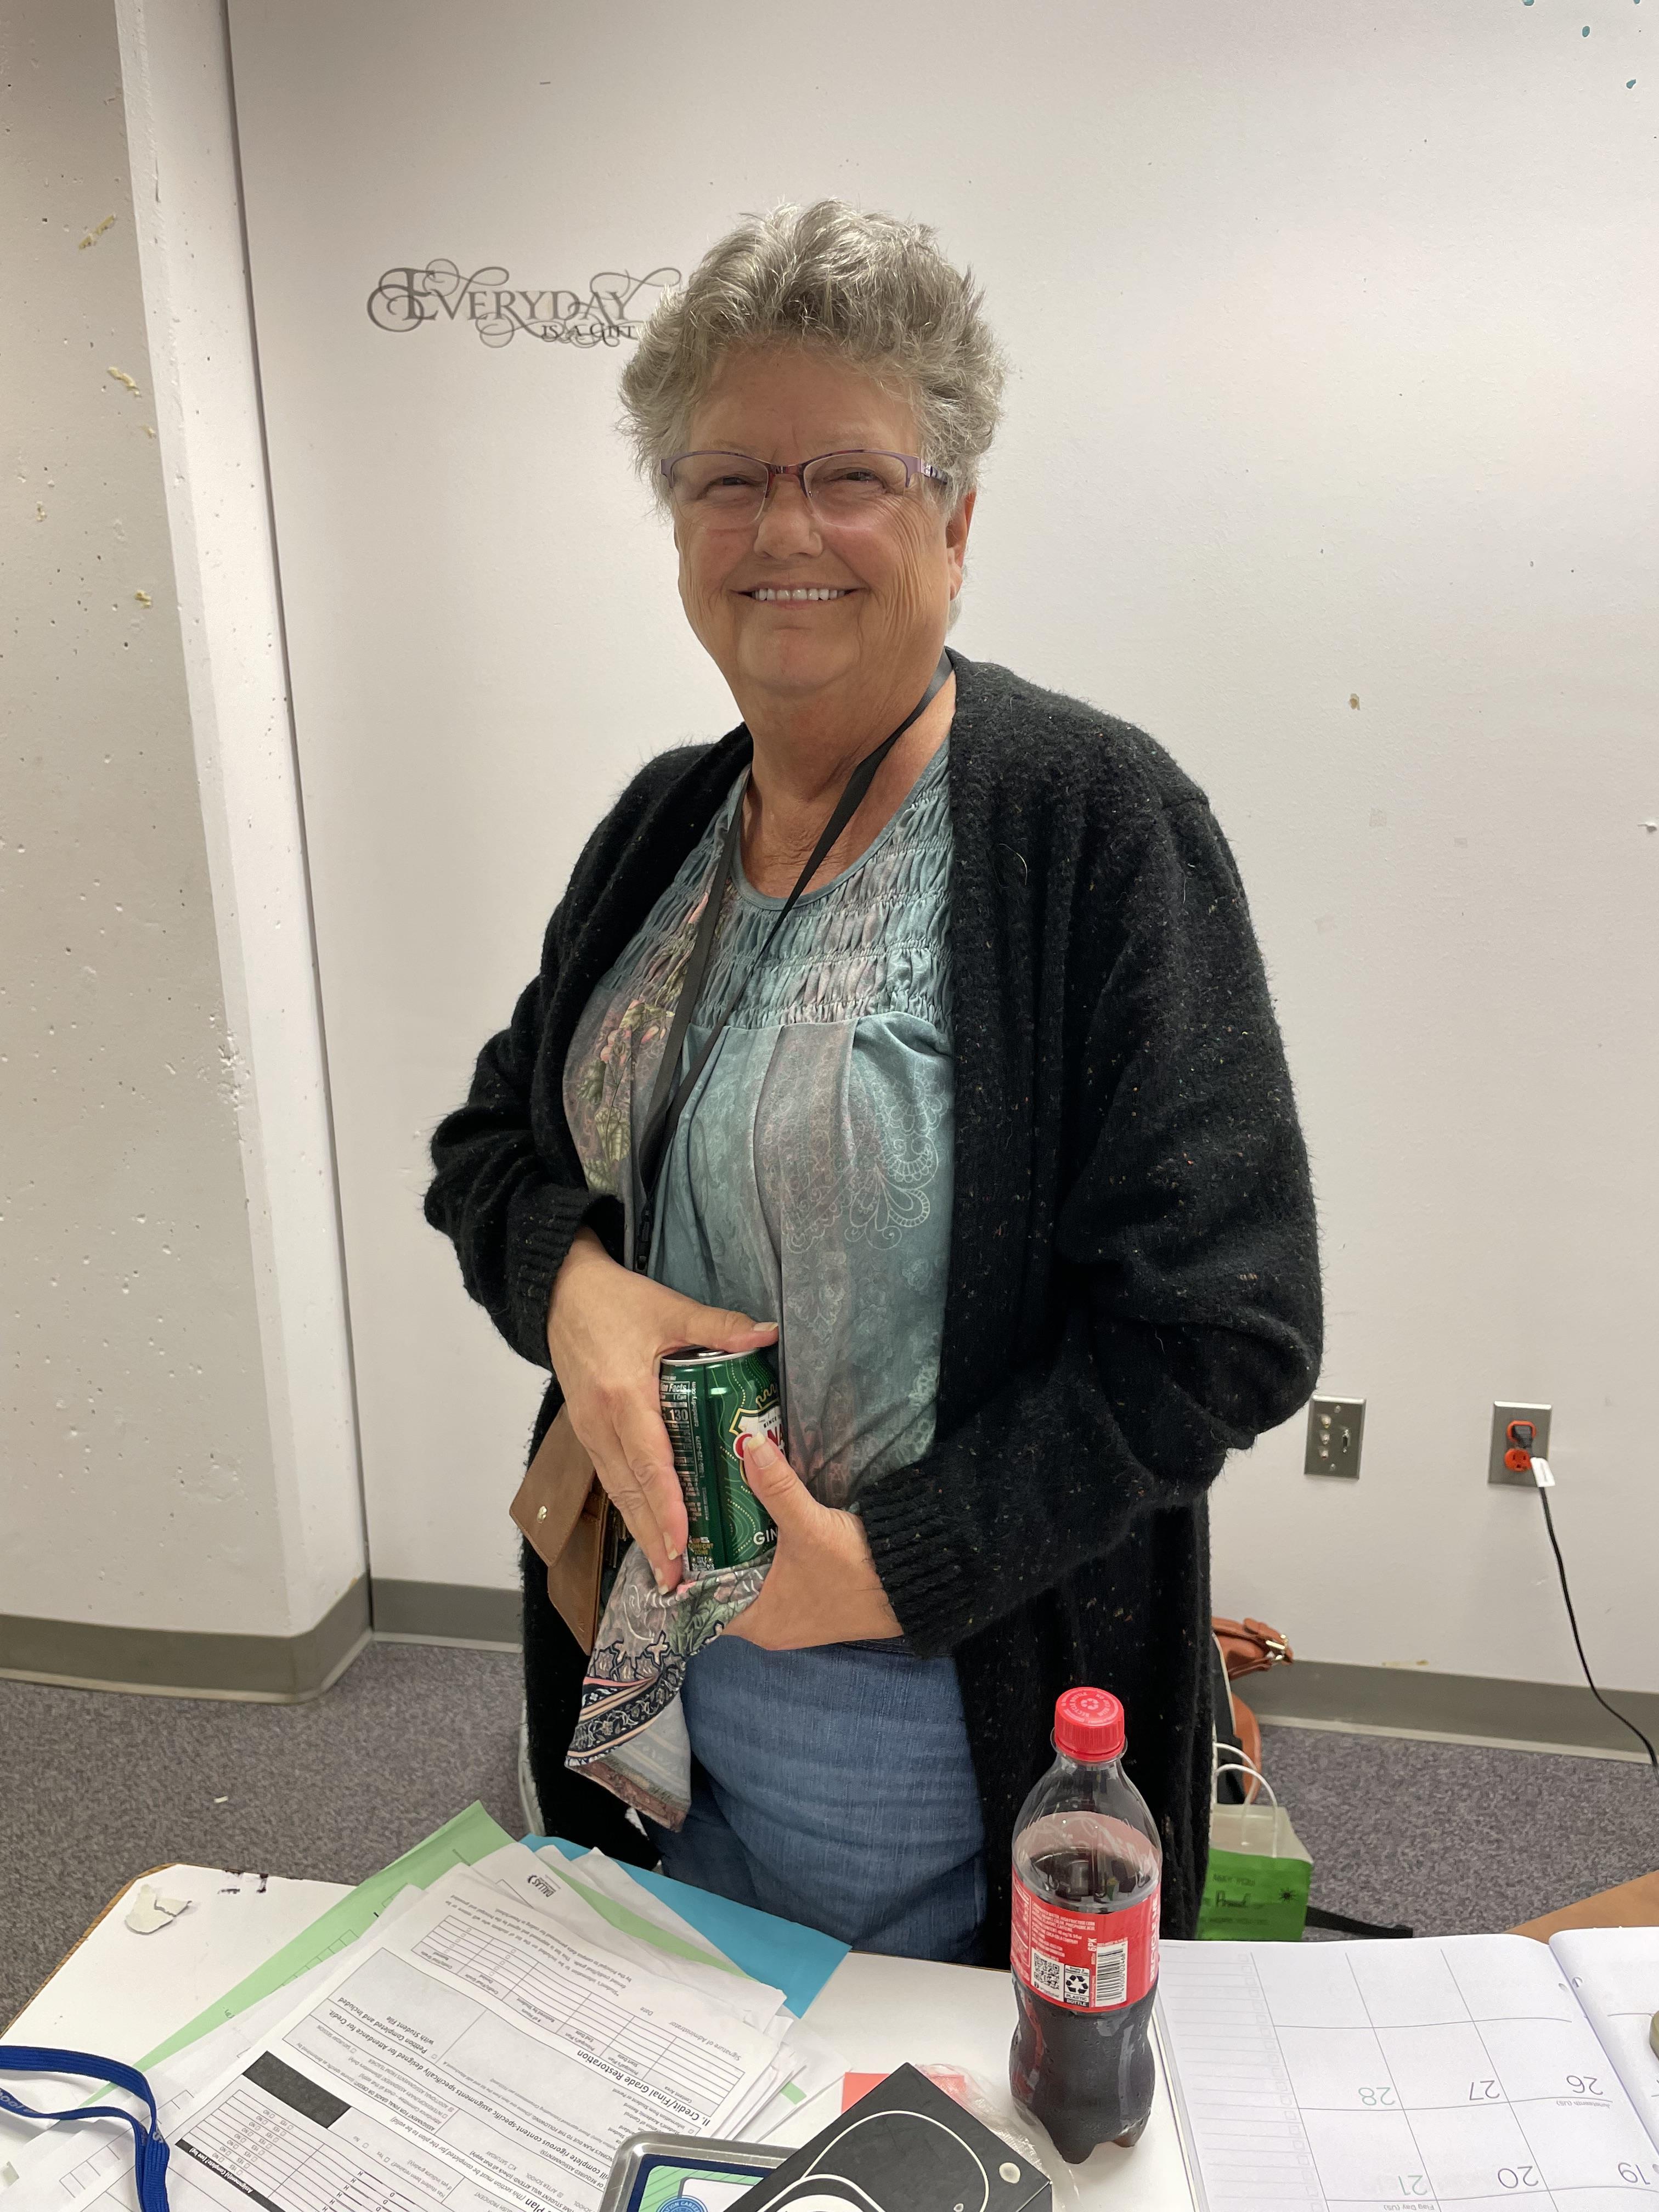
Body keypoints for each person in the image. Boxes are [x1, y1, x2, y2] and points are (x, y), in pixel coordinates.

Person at [425, 199, 1321, 1965]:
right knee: (676, 2071)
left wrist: (895, 1565)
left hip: (922, 1696)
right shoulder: (664, 825)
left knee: (887, 2124)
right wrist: (584, 1297)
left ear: (958, 519)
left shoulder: (1091, 827)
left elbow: (1231, 1324)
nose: (783, 530)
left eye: (850, 473)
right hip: (641, 1641)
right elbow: (484, 1149)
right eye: (725, 479)